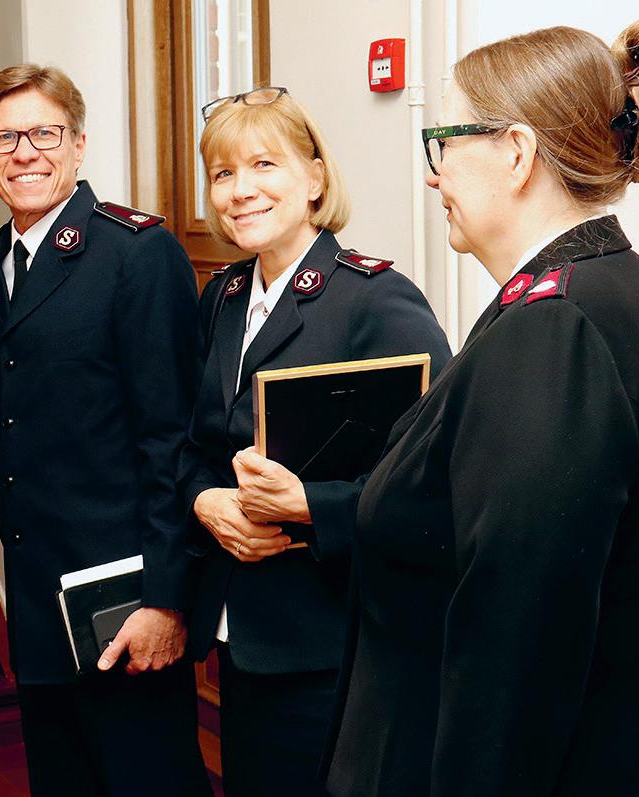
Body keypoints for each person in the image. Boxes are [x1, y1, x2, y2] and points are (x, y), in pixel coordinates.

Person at [319, 18, 639, 795]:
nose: (433, 176)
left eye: (444, 142)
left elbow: (513, 658)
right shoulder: (612, 285)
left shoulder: (554, 331)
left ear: (517, 153)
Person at [179, 89, 450, 796]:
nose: (240, 190)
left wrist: (308, 506)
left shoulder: (376, 300)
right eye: (222, 173)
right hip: (240, 637)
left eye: (263, 165)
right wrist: (205, 500)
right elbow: (194, 444)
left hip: (335, 645)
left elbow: (434, 484)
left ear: (315, 179)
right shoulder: (222, 298)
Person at [0, 63, 212, 796]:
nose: (25, 153)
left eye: (44, 134)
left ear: (78, 145)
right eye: (4, 138)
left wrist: (166, 598)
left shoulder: (135, 252)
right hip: (37, 601)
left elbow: (172, 438)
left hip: (126, 602)